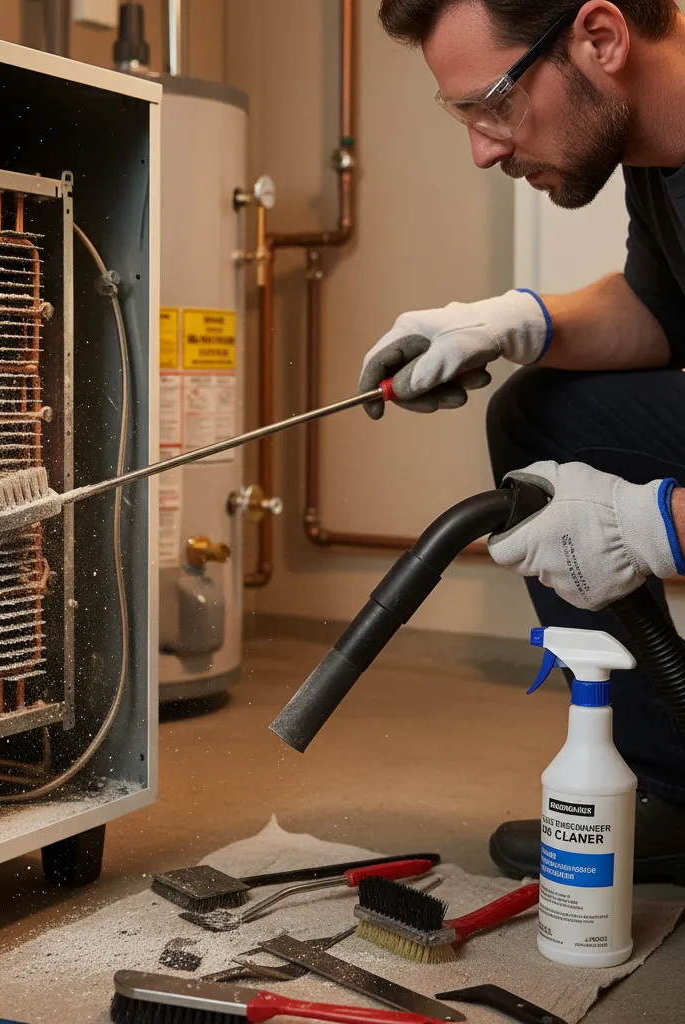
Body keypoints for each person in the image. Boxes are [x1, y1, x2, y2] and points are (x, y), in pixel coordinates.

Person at [359, 0, 685, 883]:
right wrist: (511, 322)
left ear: (602, 38)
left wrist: (648, 526)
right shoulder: (662, 156)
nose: (485, 147)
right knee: (538, 417)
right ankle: (675, 789)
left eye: (493, 103)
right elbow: (661, 314)